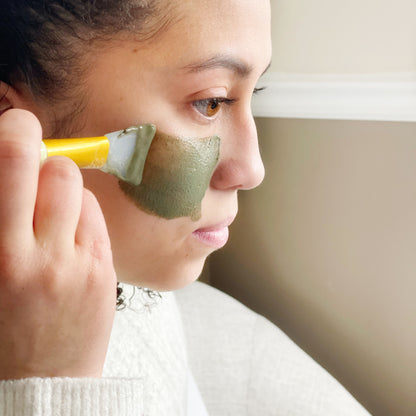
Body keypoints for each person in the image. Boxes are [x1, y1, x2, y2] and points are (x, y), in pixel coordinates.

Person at [0, 1, 370, 414]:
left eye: (255, 92)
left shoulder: (140, 289)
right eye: (212, 102)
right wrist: (49, 382)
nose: (252, 170)